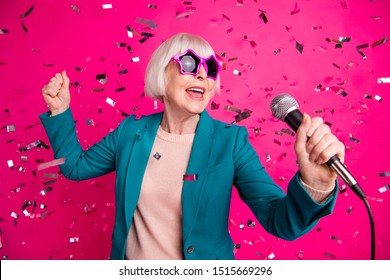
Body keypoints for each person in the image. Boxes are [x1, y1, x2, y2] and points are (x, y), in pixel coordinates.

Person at [40, 32, 344, 260]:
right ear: (162, 73)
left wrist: (314, 186)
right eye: (188, 63)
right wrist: (60, 112)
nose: (202, 73)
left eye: (210, 68)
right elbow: (74, 167)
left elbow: (281, 222)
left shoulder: (231, 142)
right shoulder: (131, 132)